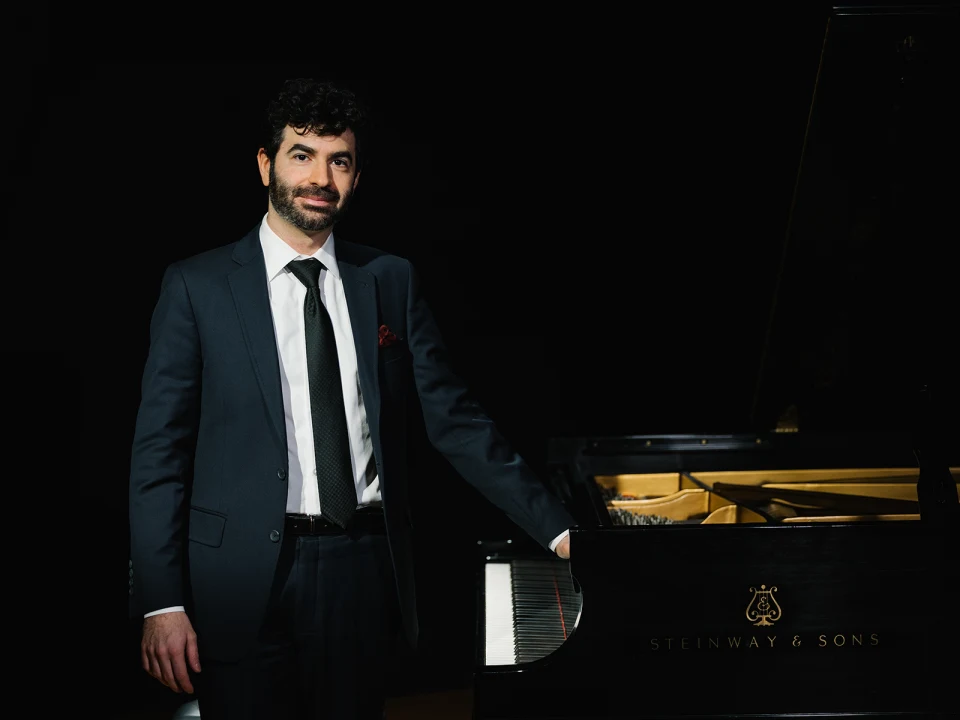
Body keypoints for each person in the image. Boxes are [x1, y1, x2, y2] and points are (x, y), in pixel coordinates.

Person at [128, 77, 576, 720]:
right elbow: (158, 456)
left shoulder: (388, 279)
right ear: (265, 165)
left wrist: (558, 530)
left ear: (357, 177)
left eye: (339, 160)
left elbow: (457, 423)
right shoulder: (196, 287)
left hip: (361, 569)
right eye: (302, 155)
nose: (321, 176)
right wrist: (161, 601)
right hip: (238, 579)